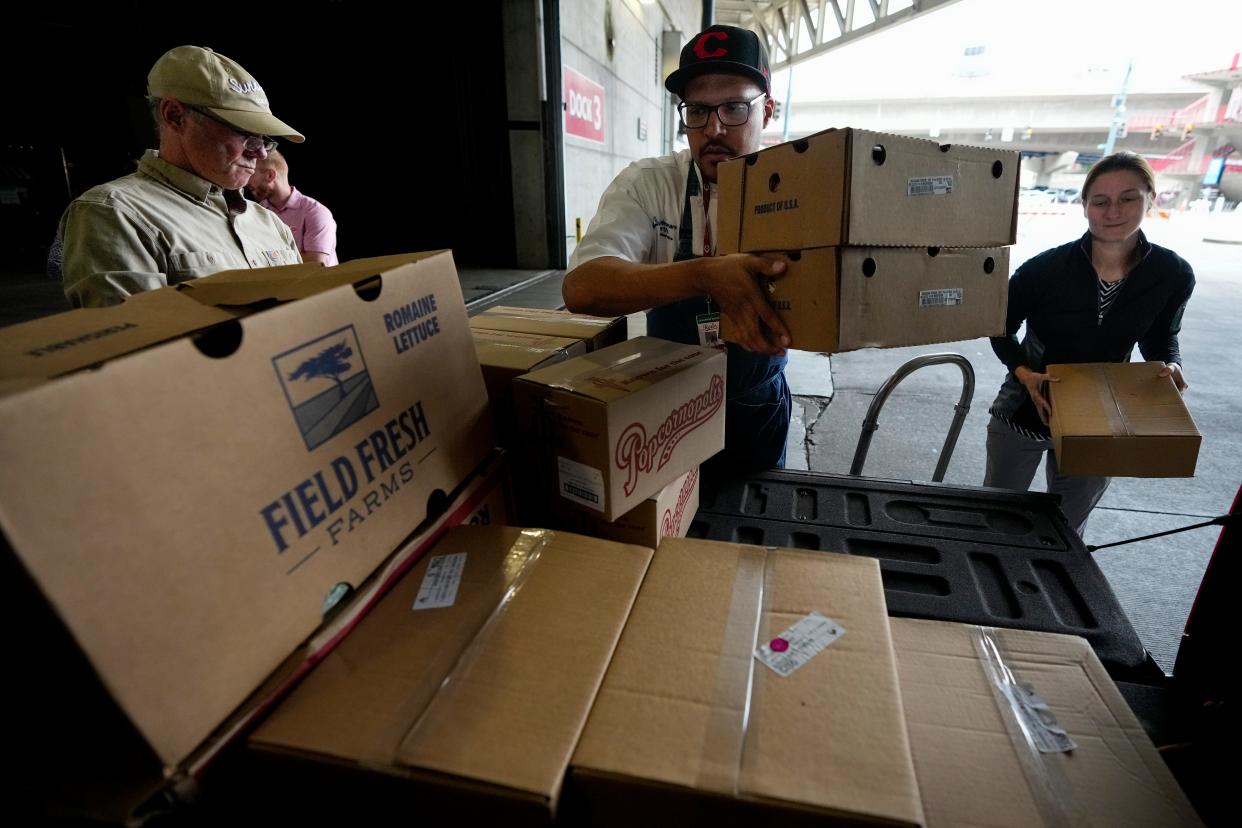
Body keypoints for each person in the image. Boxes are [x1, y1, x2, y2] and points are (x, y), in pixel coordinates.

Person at [563, 24, 791, 470]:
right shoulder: (650, 184)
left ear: (767, 111)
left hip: (755, 406)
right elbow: (582, 289)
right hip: (668, 406)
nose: (714, 128)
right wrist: (705, 275)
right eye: (699, 111)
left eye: (735, 108)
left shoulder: (797, 191)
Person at [984, 152, 1195, 537]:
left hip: (1100, 421)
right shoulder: (1044, 270)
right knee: (997, 517)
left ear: (1152, 199)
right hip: (1025, 411)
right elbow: (999, 327)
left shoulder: (1172, 273)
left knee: (1066, 531)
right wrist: (1024, 374)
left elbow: (1162, 335)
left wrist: (1171, 365)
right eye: (1100, 201)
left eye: (1128, 198)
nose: (1113, 211)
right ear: (1084, 206)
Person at [61, 45, 304, 307]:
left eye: (263, 140)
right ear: (174, 116)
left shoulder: (269, 224)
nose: (258, 153)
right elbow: (140, 338)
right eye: (245, 134)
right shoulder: (114, 214)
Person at [247, 150, 339, 265]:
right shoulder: (257, 212)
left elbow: (315, 264)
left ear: (270, 175)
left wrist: (268, 261)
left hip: (321, 283)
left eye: (251, 174)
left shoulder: (316, 212)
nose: (246, 182)